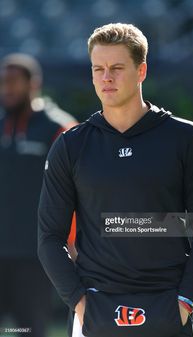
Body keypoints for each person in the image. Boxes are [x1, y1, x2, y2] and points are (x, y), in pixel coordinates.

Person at [38, 23, 193, 337]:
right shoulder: (71, 145)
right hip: (95, 309)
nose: (106, 77)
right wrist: (80, 303)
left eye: (117, 68)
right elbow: (49, 239)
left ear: (142, 71)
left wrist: (185, 301)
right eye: (98, 68)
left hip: (167, 307)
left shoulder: (184, 138)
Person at [0, 53, 77, 337]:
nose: (6, 88)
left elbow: (75, 190)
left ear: (34, 84)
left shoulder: (59, 128)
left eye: (13, 82)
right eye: (2, 82)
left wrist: (71, 242)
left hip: (36, 254)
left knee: (29, 329)